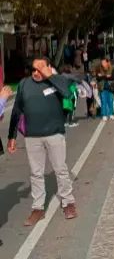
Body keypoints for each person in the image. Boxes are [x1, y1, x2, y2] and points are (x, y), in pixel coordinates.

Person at [8, 57, 78, 225]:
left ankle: (68, 202)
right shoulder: (24, 84)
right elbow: (17, 110)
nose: (36, 73)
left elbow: (68, 93)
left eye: (40, 68)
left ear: (48, 68)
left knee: (60, 169)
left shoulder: (57, 81)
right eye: (34, 69)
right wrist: (12, 136)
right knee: (36, 173)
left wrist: (50, 75)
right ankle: (38, 208)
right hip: (32, 136)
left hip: (54, 134)